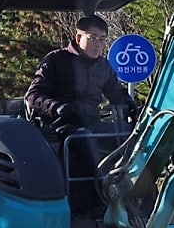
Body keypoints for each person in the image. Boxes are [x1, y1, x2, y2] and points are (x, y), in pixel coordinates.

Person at [25, 14, 133, 151]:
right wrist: (57, 107)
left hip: (93, 123)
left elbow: (115, 91)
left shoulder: (103, 65)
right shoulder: (56, 60)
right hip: (61, 125)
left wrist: (129, 104)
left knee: (134, 132)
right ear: (78, 38)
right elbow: (33, 95)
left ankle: (132, 171)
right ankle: (95, 173)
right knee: (84, 139)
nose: (98, 44)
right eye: (92, 38)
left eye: (102, 39)